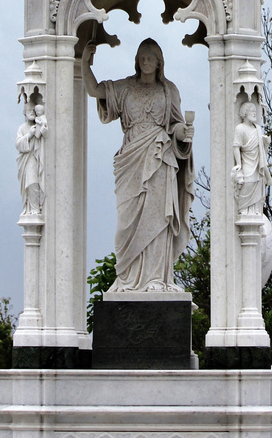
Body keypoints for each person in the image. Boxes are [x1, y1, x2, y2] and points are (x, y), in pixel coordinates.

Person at [81, 38, 195, 293]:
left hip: (159, 158)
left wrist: (182, 133)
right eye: (142, 56)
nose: (146, 61)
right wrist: (85, 62)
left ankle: (156, 278)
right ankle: (126, 278)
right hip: (131, 159)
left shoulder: (169, 91)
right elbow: (94, 90)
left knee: (157, 219)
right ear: (137, 60)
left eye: (151, 57)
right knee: (127, 221)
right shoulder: (124, 88)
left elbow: (175, 124)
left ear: (159, 62)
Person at [232, 100, 271, 215]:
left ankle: (254, 210)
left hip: (257, 163)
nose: (254, 113)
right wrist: (238, 164)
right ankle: (243, 208)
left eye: (255, 111)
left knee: (257, 184)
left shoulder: (257, 129)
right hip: (247, 162)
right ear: (245, 113)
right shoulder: (240, 128)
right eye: (252, 111)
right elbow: (236, 147)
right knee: (247, 183)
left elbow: (262, 152)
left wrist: (266, 143)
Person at [16, 101, 46, 214]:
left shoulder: (38, 124)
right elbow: (18, 144)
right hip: (26, 159)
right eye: (29, 110)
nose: (31, 113)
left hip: (36, 156)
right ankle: (31, 207)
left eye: (33, 110)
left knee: (33, 181)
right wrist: (29, 135)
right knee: (29, 182)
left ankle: (35, 208)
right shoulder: (23, 128)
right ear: (24, 113)